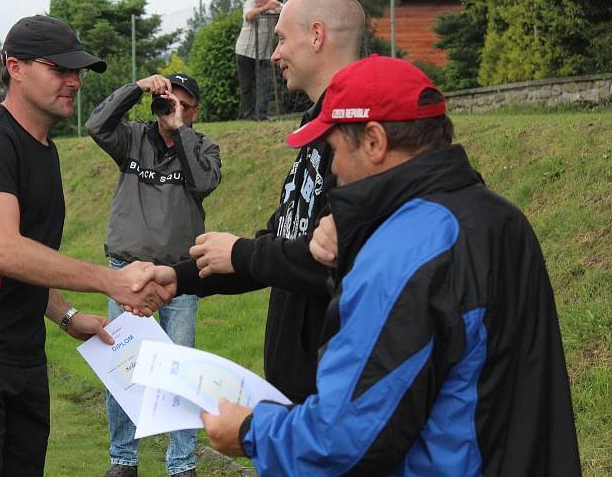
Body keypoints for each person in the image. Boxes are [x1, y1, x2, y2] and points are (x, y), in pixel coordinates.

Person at [201, 55, 582, 476]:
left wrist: (251, 431)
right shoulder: (498, 216)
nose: (335, 168)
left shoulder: (405, 250)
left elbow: (344, 440)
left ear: (374, 142)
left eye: (333, 150)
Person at [0, 15, 172, 477]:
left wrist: (68, 318)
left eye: (79, 71)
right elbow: (4, 251)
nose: (74, 82)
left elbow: (27, 263)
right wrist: (112, 282)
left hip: (22, 359)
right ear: (16, 67)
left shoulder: (44, 149)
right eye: (60, 69)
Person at [142, 0, 366, 406]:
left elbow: (337, 260)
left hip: (336, 394)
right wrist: (177, 277)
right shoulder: (316, 126)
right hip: (300, 395)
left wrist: (242, 253)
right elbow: (282, 243)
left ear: (317, 36)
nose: (274, 54)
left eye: (282, 39)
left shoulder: (360, 134)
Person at [86, 73, 221, 477]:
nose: (171, 108)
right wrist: (136, 88)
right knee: (124, 370)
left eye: (182, 104)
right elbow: (96, 125)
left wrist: (180, 131)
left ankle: (181, 465)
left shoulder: (204, 147)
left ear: (194, 111)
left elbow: (203, 182)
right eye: (167, 101)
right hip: (125, 272)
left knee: (178, 374)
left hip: (180, 276)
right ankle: (123, 460)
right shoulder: (132, 139)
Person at [235, 0, 282, 120]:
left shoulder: (274, 5)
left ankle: (261, 115)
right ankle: (249, 117)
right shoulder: (249, 4)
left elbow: (287, 9)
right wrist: (267, 7)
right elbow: (249, 16)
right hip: (244, 51)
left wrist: (276, 3)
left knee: (265, 86)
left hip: (264, 54)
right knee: (246, 87)